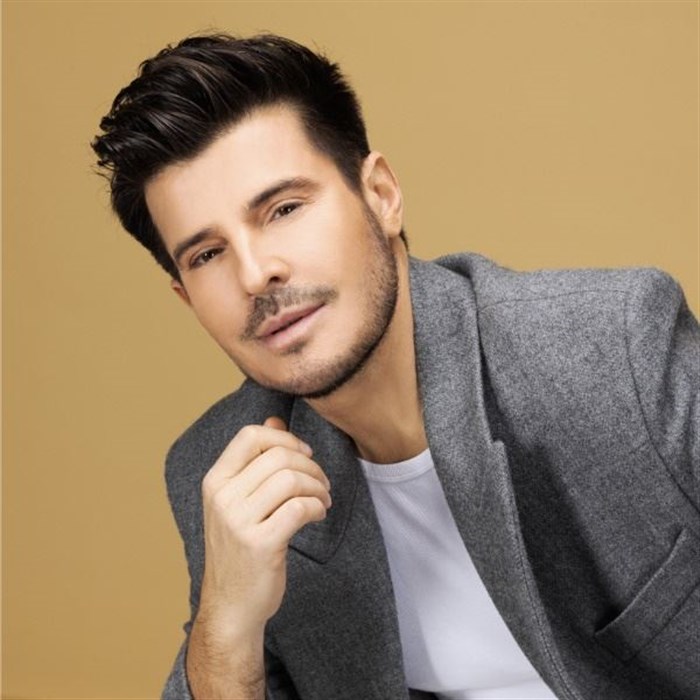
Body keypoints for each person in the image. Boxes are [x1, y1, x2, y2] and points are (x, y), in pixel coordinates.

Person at [92, 33, 699, 700]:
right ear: (186, 296)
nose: (256, 273)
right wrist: (226, 622)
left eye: (284, 209)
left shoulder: (611, 348)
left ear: (380, 195)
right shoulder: (221, 473)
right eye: (207, 255)